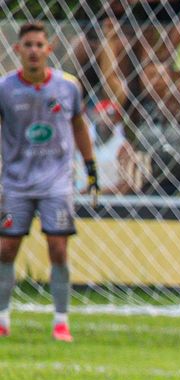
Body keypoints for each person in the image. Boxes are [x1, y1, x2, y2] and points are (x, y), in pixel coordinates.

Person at [0, 22, 98, 342]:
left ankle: (61, 320)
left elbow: (80, 125)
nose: (33, 51)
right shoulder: (5, 88)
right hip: (15, 182)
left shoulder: (67, 86)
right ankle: (2, 316)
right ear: (18, 50)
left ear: (49, 49)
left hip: (57, 182)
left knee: (58, 248)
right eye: (27, 45)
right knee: (6, 248)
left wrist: (90, 167)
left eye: (39, 45)